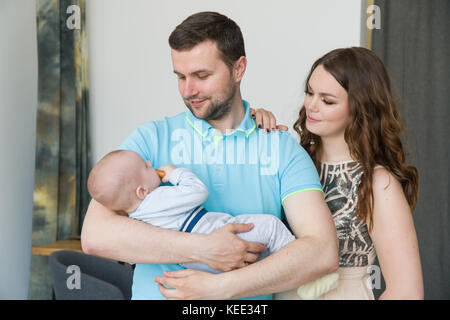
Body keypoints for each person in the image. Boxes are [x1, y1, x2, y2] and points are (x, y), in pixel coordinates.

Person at [81, 11, 339, 300]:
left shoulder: (280, 147)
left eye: (201, 75)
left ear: (239, 68)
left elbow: (322, 252)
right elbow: (95, 237)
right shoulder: (150, 140)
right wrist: (203, 248)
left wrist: (219, 288)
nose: (188, 90)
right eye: (180, 76)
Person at [253, 47, 424, 299]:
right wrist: (250, 125)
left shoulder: (377, 182)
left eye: (327, 100)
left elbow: (406, 292)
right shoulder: (293, 160)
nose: (311, 106)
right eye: (309, 93)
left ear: (360, 107)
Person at [86, 149, 339, 298]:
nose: (151, 164)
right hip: (216, 233)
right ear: (141, 191)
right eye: (145, 166)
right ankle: (307, 278)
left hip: (195, 266)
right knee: (271, 227)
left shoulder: (136, 217)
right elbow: (197, 192)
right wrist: (175, 173)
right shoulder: (159, 197)